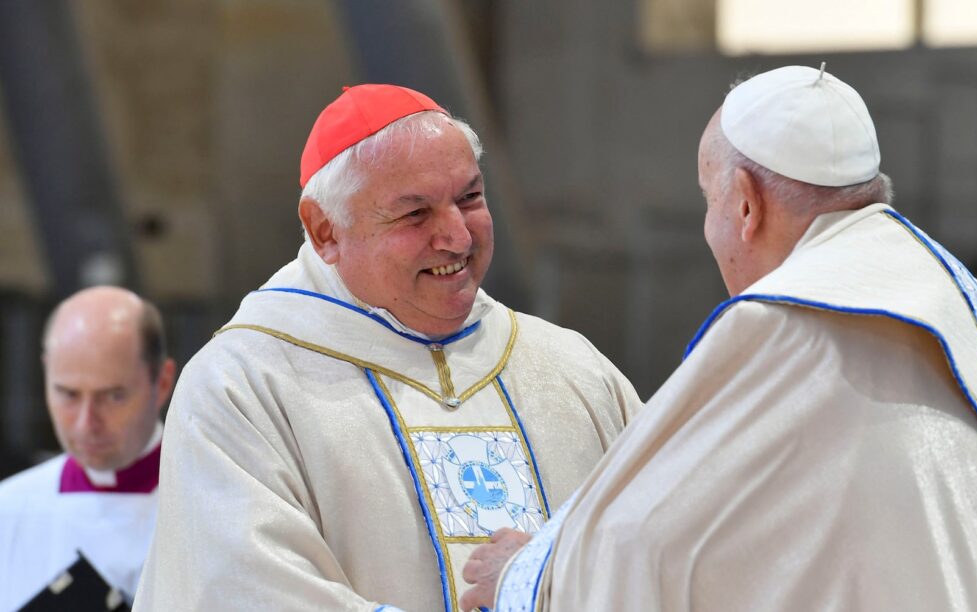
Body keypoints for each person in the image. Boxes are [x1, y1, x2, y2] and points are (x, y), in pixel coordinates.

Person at [463, 65, 977, 612]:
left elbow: (644, 545)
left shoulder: (786, 329)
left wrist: (526, 574)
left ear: (747, 206)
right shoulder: (969, 311)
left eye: (710, 199)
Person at [133, 84, 641, 611]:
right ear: (325, 229)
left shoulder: (570, 369)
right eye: (415, 214)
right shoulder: (243, 386)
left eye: (469, 198)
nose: (458, 237)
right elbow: (245, 591)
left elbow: (672, 549)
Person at [0, 286, 177, 610]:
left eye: (113, 396)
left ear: (162, 383)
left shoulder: (213, 504)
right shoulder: (7, 510)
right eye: (68, 394)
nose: (86, 424)